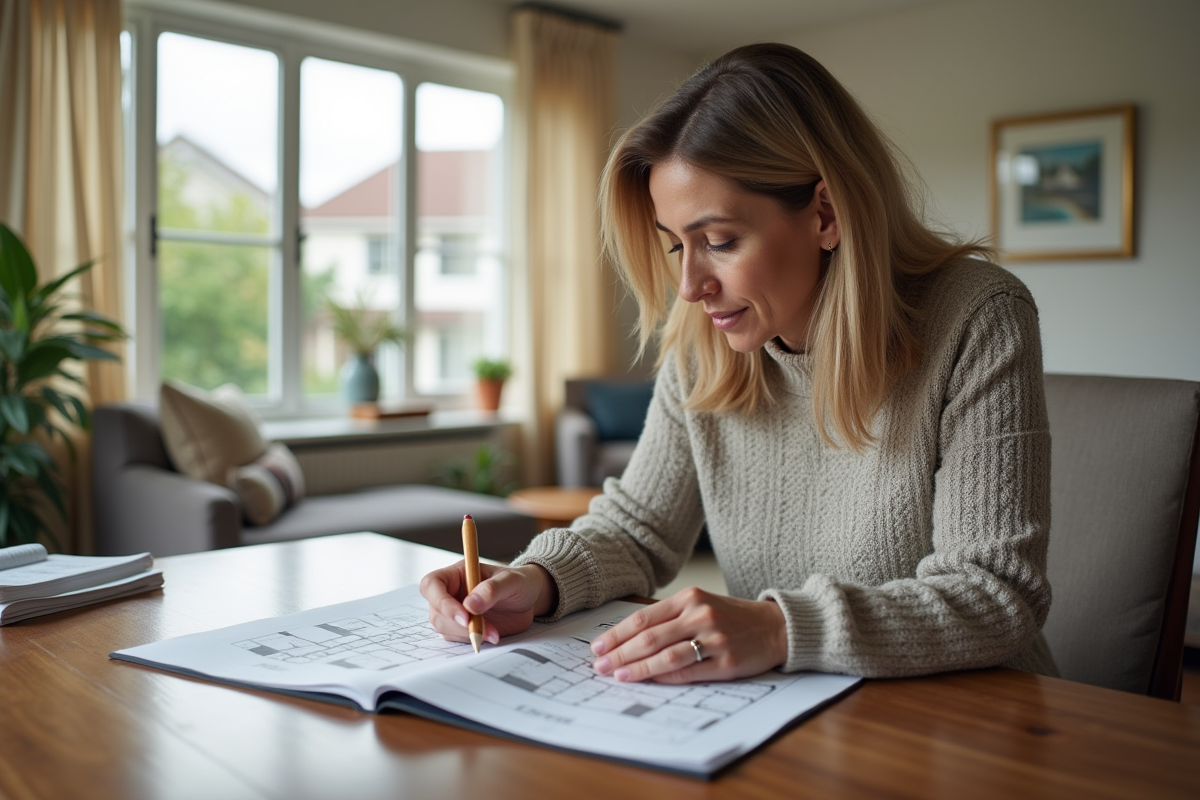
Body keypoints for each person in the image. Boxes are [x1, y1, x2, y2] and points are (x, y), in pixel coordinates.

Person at [420, 42, 1057, 684]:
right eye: (675, 247)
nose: (691, 286)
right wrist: (535, 580)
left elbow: (995, 592)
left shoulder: (978, 315)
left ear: (826, 214)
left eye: (719, 242)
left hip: (973, 718)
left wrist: (781, 627)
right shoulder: (704, 342)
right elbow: (639, 529)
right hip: (794, 714)